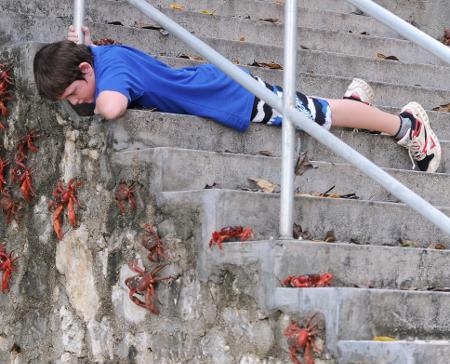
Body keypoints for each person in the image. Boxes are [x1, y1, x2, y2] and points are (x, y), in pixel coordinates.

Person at [32, 25, 441, 173]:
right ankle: (358, 102)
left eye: (74, 93)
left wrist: (95, 89)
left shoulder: (110, 71)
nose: (77, 103)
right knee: (305, 107)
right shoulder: (100, 61)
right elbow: (99, 85)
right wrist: (84, 49)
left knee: (319, 115)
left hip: (229, 95)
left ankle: (407, 127)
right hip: (215, 90)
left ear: (86, 71)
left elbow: (112, 106)